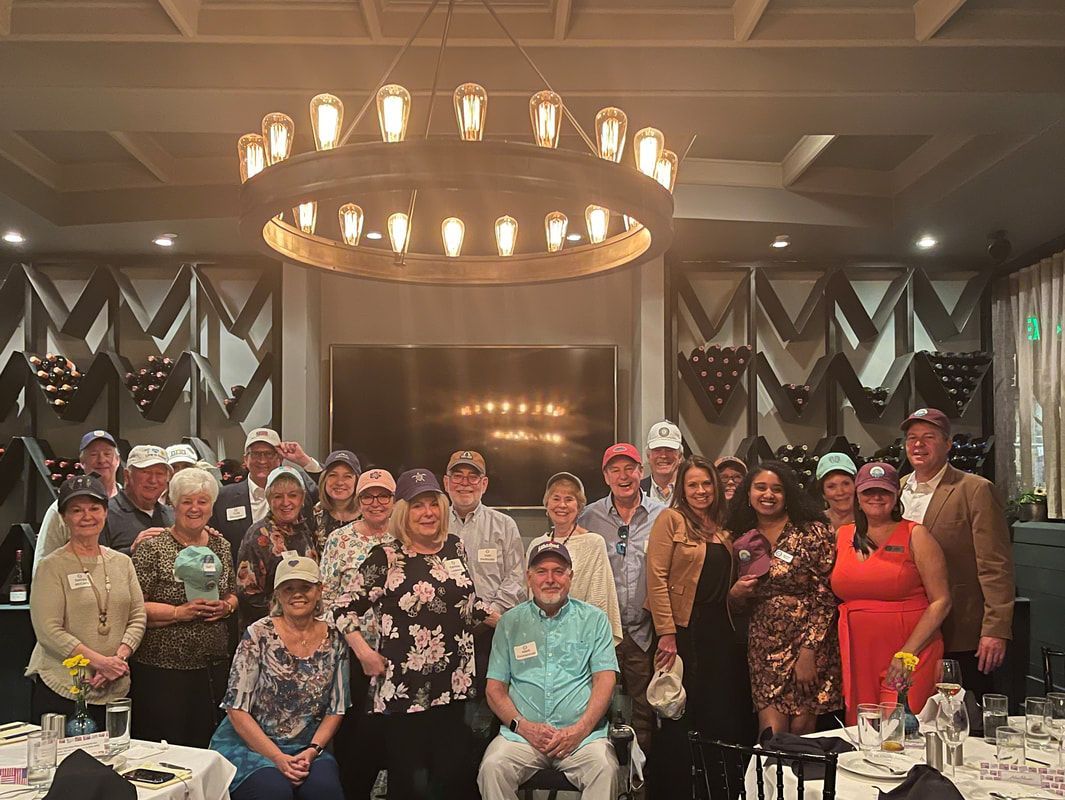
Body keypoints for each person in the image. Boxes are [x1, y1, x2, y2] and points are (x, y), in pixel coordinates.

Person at [334, 468, 495, 800]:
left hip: (455, 685)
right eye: (418, 505)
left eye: (433, 504)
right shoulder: (386, 557)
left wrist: (505, 620)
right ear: (403, 512)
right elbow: (342, 608)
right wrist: (364, 653)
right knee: (412, 784)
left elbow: (466, 602)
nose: (428, 513)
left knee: (450, 780)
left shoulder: (455, 547)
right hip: (406, 691)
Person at [477, 542, 619, 799]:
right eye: (541, 571)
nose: (550, 579)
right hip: (522, 738)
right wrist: (523, 727)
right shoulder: (509, 623)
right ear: (529, 577)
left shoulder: (595, 620)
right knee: (493, 767)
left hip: (583, 738)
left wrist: (579, 730)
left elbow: (605, 681)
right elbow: (495, 689)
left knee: (605, 769)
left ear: (570, 576)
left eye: (558, 571)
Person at [645, 456, 750, 797]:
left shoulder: (724, 527)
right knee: (679, 713)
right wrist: (666, 633)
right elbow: (656, 577)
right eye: (692, 484)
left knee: (719, 714)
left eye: (706, 483)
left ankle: (716, 790)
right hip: (683, 631)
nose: (700, 490)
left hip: (721, 631)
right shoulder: (671, 520)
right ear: (682, 488)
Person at [209, 557, 347, 800]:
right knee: (273, 791)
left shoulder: (336, 638)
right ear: (278, 595)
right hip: (250, 744)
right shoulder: (258, 634)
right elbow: (236, 709)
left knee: (325, 790)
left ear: (319, 591)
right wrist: (276, 757)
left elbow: (337, 708)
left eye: (305, 587)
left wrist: (313, 750)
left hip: (307, 746)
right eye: (288, 588)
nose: (297, 594)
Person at [899, 408, 1015, 696]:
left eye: (929, 437)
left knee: (962, 714)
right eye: (912, 438)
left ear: (948, 444)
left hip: (960, 631)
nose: (918, 444)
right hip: (908, 630)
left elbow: (995, 565)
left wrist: (995, 629)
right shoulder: (896, 489)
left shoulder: (975, 490)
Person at [726, 461, 841, 736]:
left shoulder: (812, 531)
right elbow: (735, 602)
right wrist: (734, 595)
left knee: (802, 729)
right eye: (760, 488)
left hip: (810, 641)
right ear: (748, 493)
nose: (768, 494)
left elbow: (826, 595)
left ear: (788, 494)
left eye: (777, 489)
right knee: (771, 732)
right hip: (765, 643)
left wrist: (808, 652)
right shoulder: (738, 535)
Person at [832, 462, 951, 725]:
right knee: (864, 728)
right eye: (869, 491)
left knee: (902, 728)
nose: (876, 497)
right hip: (858, 653)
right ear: (857, 496)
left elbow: (941, 601)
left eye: (884, 491)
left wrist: (907, 653)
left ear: (896, 495)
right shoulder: (842, 535)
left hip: (909, 650)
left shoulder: (916, 535)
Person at [26, 475, 146, 729]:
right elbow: (48, 630)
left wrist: (117, 661)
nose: (87, 516)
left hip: (115, 687)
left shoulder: (122, 563)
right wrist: (100, 662)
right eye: (77, 510)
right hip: (63, 688)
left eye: (94, 508)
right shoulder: (51, 566)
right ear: (64, 517)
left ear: (105, 513)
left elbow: (137, 617)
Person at [130, 467, 237, 747]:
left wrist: (225, 607)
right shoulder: (153, 547)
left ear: (211, 507)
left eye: (202, 501)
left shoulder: (221, 546)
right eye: (186, 501)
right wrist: (179, 613)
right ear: (173, 505)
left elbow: (232, 593)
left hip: (212, 667)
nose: (194, 508)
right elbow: (133, 607)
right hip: (162, 669)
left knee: (208, 745)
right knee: (167, 747)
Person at [578, 442, 666, 752]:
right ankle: (604, 771)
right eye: (615, 470)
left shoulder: (663, 516)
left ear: (641, 472)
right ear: (605, 477)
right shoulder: (588, 517)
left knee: (644, 710)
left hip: (645, 632)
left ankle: (641, 775)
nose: (623, 476)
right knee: (597, 707)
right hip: (602, 633)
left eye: (630, 468)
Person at [320, 468, 395, 800]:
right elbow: (326, 600)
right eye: (368, 496)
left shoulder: (406, 537)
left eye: (383, 496)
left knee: (393, 738)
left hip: (398, 654)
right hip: (352, 654)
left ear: (395, 500)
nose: (376, 503)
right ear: (358, 500)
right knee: (354, 737)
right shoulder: (339, 540)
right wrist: (357, 646)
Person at [444, 450, 526, 692]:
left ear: (484, 483)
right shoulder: (434, 523)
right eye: (458, 476)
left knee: (490, 699)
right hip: (443, 631)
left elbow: (516, 576)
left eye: (473, 477)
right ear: (446, 482)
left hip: (492, 630)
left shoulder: (504, 525)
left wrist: (491, 613)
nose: (465, 483)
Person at [526, 472, 622, 644]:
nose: (562, 505)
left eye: (569, 499)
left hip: (581, 637)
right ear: (547, 504)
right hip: (543, 637)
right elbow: (530, 596)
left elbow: (599, 597)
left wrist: (586, 638)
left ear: (579, 507)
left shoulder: (594, 543)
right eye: (556, 498)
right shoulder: (536, 544)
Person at [210, 428, 322, 564]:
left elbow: (330, 491)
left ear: (280, 458)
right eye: (256, 454)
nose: (262, 460)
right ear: (245, 459)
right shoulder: (223, 498)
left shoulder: (300, 491)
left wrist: (304, 460)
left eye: (269, 454)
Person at [236, 466, 320, 629]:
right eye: (278, 496)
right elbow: (248, 595)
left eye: (293, 495)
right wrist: (289, 614)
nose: (286, 502)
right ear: (268, 499)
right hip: (270, 629)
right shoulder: (257, 536)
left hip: (307, 626)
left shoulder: (307, 529)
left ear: (302, 498)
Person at [33, 430, 123, 574]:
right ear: (82, 463)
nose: (101, 460)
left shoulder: (130, 503)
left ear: (117, 460)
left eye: (107, 454)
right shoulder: (61, 508)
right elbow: (43, 563)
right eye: (93, 454)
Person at [97, 444, 174, 555]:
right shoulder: (103, 513)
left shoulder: (172, 515)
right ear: (127, 476)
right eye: (146, 472)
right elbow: (93, 559)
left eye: (159, 474)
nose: (153, 480)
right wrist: (132, 550)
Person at [312, 450, 362, 553]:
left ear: (357, 481)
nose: (339, 482)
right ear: (324, 479)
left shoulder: (368, 512)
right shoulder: (316, 513)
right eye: (333, 475)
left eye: (347, 476)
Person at [640, 421, 683, 505]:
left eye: (669, 450)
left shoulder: (691, 490)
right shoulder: (636, 491)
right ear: (648, 456)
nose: (663, 455)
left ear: (680, 456)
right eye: (657, 450)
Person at [816, 452, 858, 531]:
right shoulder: (814, 526)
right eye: (831, 486)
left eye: (846, 484)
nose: (840, 492)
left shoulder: (871, 522)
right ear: (823, 493)